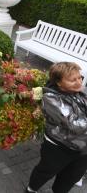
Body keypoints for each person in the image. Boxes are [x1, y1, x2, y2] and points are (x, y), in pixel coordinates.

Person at [26, 62, 87, 193]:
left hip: (82, 147)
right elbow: (75, 125)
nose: (78, 82)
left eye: (79, 77)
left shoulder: (79, 91)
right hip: (59, 147)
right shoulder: (51, 98)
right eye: (73, 80)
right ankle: (31, 189)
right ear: (59, 82)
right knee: (45, 171)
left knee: (71, 176)